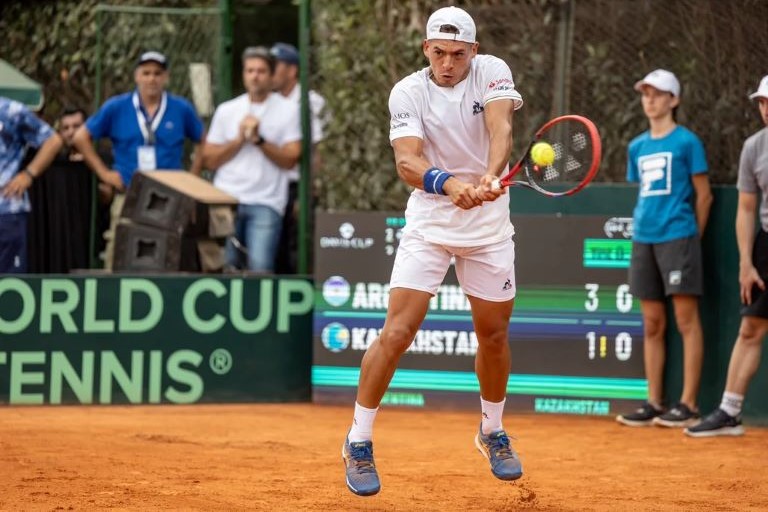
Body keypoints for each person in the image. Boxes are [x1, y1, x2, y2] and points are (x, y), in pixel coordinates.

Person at [341, 6, 524, 497]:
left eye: (458, 54)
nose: (448, 63)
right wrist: (448, 184)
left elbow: (501, 129)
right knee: (397, 332)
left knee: (494, 335)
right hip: (429, 224)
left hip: (488, 229)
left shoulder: (493, 72)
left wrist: (489, 175)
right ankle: (358, 441)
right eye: (439, 53)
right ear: (425, 49)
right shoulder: (408, 91)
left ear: (474, 52)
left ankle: (492, 431)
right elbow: (407, 160)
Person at [616, 69, 713, 428]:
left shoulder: (688, 142)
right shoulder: (637, 146)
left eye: (658, 94)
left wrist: (690, 238)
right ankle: (654, 401)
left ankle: (688, 404)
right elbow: (642, 191)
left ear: (674, 100)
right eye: (646, 94)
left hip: (679, 237)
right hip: (644, 238)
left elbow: (704, 196)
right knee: (652, 323)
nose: (650, 100)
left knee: (686, 321)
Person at [685, 75, 768, 437]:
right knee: (750, 328)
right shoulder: (754, 147)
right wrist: (746, 263)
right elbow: (747, 208)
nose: (765, 109)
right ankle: (729, 412)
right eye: (762, 102)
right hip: (766, 245)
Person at [72, 51, 206, 270]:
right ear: (137, 76)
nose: (152, 79)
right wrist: (104, 173)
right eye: (146, 73)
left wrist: (192, 178)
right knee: (120, 247)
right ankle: (113, 295)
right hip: (130, 191)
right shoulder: (117, 107)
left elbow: (202, 140)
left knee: (170, 249)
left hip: (171, 193)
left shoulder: (181, 108)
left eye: (157, 73)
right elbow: (81, 137)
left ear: (166, 78)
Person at [202, 47, 301, 273]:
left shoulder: (289, 110)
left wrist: (258, 141)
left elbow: (291, 159)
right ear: (243, 75)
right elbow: (209, 159)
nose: (255, 76)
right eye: (250, 71)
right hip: (227, 197)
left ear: (271, 74)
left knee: (260, 266)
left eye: (261, 71)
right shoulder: (228, 110)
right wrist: (239, 140)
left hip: (266, 201)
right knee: (225, 265)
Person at [270, 42, 327, 274]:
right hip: (271, 186)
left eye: (275, 66)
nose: (269, 71)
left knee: (296, 249)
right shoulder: (270, 102)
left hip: (296, 187)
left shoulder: (310, 102)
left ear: (292, 70)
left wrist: (306, 191)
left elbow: (317, 150)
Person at [0, 96, 63, 273]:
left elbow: (53, 140)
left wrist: (28, 174)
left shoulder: (10, 110)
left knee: (8, 283)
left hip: (5, 209)